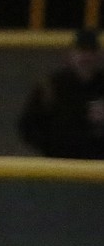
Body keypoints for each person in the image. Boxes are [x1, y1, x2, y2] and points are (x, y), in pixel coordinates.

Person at [18, 28, 104, 159]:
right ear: (71, 55)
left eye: (91, 51)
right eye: (81, 51)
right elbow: (28, 125)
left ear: (98, 55)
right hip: (60, 166)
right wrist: (51, 148)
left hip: (96, 168)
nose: (86, 57)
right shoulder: (52, 86)